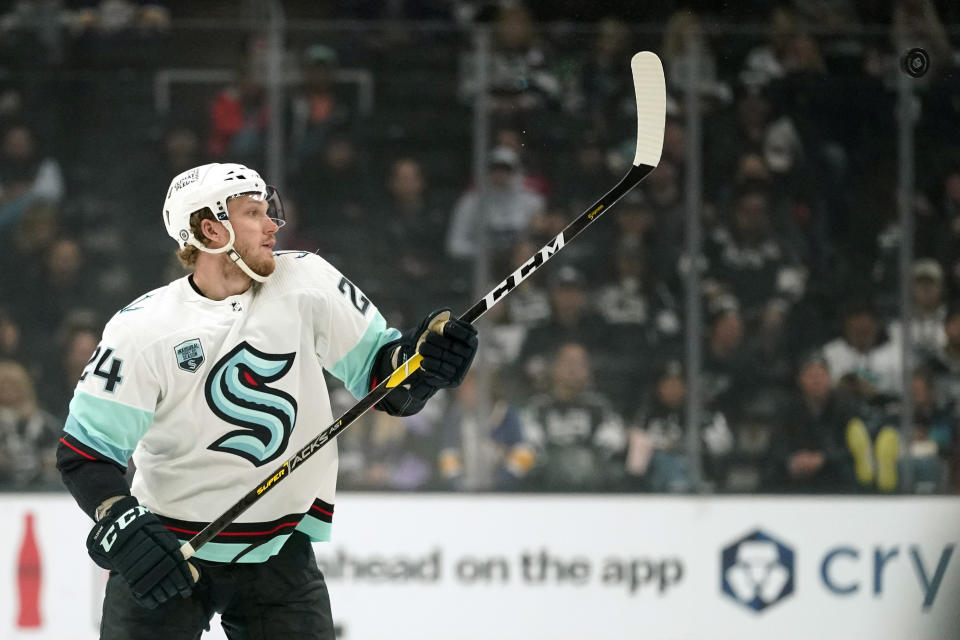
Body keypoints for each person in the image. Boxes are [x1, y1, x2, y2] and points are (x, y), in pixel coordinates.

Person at [54, 163, 479, 639]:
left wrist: (423, 365)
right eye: (254, 213)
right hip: (170, 552)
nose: (274, 224)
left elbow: (386, 379)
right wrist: (121, 520)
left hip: (278, 552)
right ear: (210, 230)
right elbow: (85, 454)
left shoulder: (307, 283)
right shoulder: (142, 329)